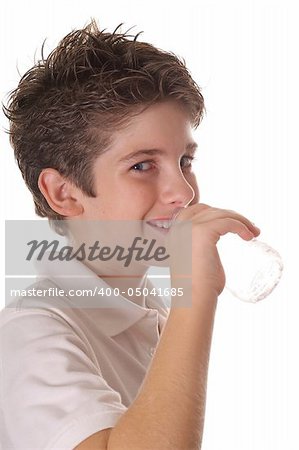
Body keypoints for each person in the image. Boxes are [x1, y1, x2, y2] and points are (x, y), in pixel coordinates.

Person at [0, 19, 260, 449]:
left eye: (185, 161)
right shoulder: (29, 334)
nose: (183, 191)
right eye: (142, 166)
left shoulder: (147, 304)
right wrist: (194, 295)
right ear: (64, 193)